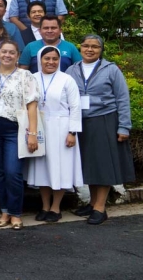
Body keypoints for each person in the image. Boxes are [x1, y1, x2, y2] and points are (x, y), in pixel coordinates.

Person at [65, 34, 135, 225]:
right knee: (89, 165)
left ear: (101, 50)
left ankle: (100, 208)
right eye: (86, 46)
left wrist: (124, 127)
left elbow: (122, 98)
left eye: (95, 47)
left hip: (104, 120)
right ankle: (93, 202)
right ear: (80, 48)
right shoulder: (72, 70)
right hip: (80, 123)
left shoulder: (111, 70)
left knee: (103, 165)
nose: (89, 49)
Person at [0, 40, 41, 230]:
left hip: (15, 128)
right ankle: (5, 211)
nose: (7, 55)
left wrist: (33, 133)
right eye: (4, 52)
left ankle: (16, 212)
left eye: (12, 53)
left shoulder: (25, 76)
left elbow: (32, 105)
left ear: (18, 56)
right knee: (0, 172)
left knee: (13, 172)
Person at [26, 46, 83, 223]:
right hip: (39, 127)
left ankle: (56, 207)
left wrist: (72, 132)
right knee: (42, 167)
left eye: (54, 59)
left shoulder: (67, 79)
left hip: (62, 127)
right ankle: (44, 206)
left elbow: (75, 107)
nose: (51, 62)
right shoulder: (32, 78)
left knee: (60, 168)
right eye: (47, 58)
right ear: (39, 60)